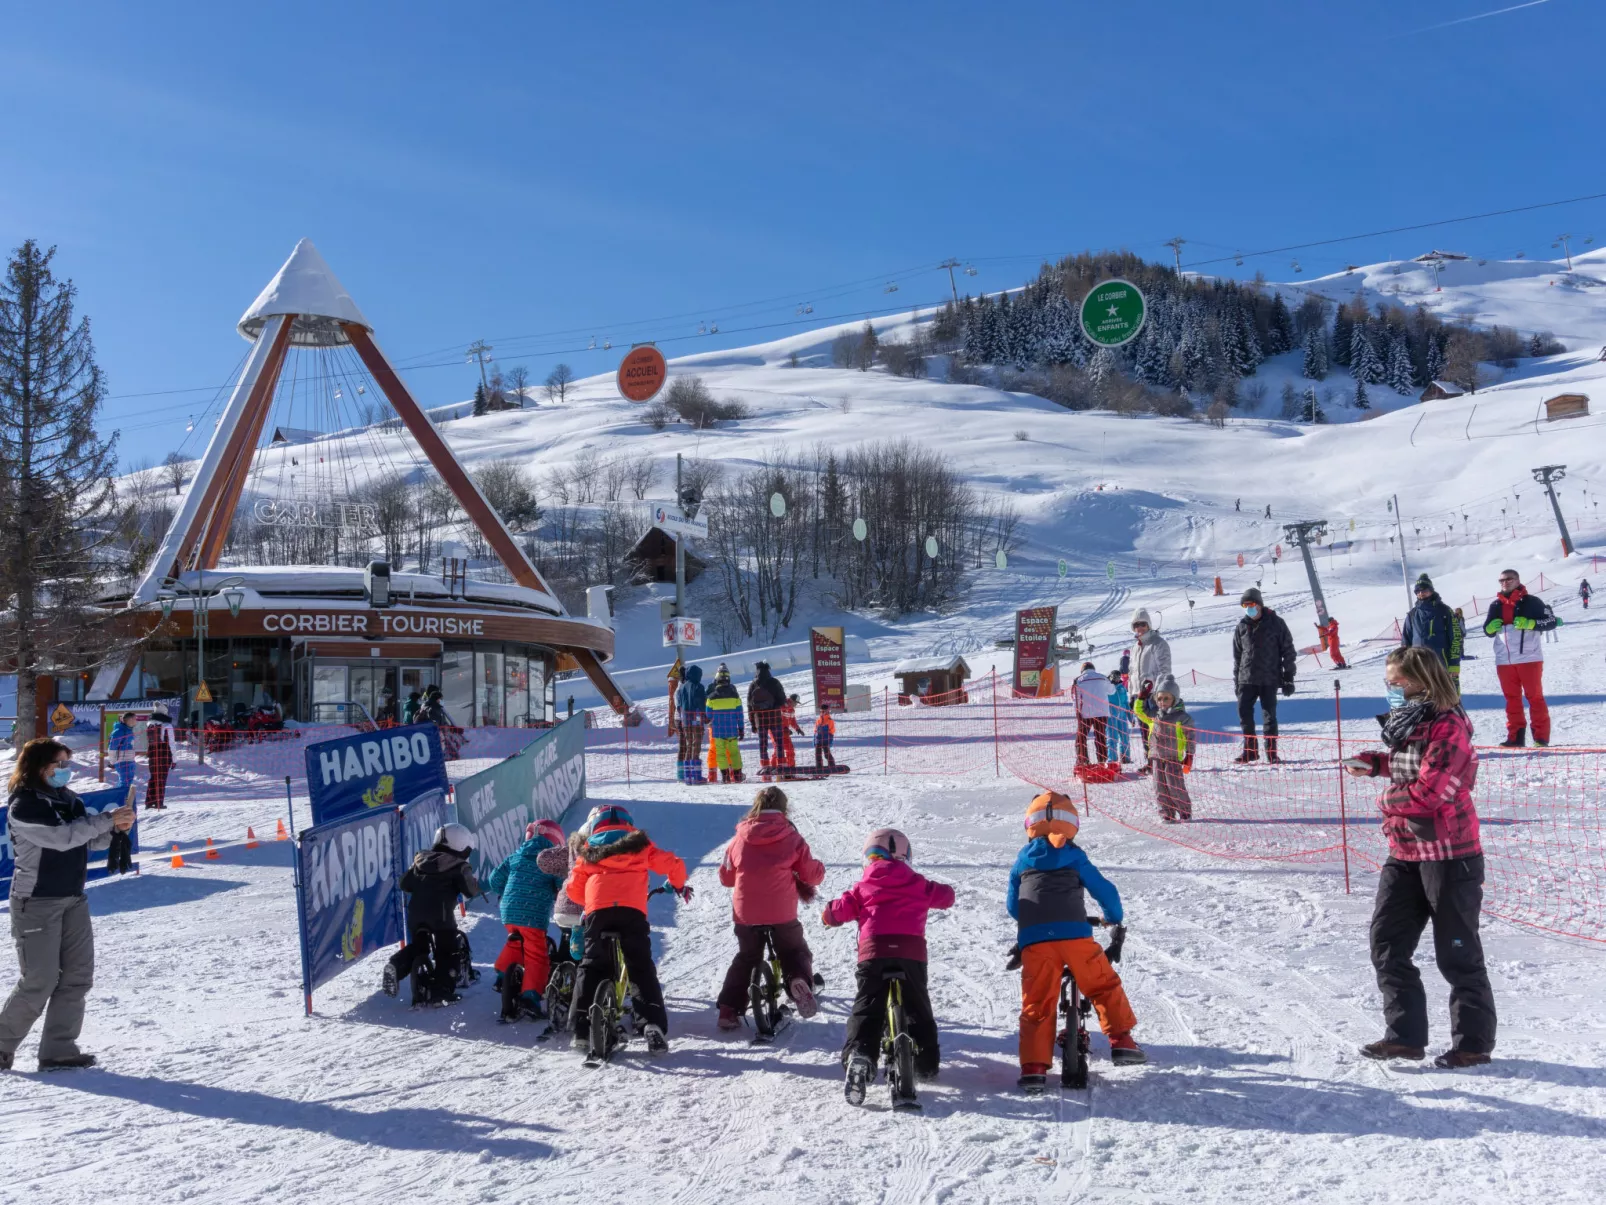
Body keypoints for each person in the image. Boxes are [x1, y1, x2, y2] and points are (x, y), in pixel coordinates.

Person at [1345, 647, 1495, 1069]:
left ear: (1422, 683)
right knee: (1388, 944)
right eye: (1389, 683)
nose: (1392, 690)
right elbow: (1409, 769)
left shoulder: (1449, 727)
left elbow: (1432, 791)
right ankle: (1405, 1037)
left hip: (1450, 855)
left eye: (1398, 683)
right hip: (1405, 851)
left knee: (1457, 952)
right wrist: (1375, 764)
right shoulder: (1410, 722)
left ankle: (1473, 1043)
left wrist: (1386, 797)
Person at [0, 738, 135, 1071]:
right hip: (36, 901)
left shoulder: (69, 800)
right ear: (39, 766)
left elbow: (88, 839)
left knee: (77, 977)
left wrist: (117, 828)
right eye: (59, 765)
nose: (66, 771)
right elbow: (61, 839)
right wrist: (105, 819)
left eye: (67, 764)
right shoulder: (25, 804)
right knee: (39, 979)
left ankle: (58, 1050)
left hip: (73, 898)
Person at [1008, 792, 1144, 1090]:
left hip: (1036, 940)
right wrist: (1112, 917)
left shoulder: (1022, 859)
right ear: (1072, 824)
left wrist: (1028, 928)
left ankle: (1033, 1068)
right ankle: (1121, 1041)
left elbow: (1013, 905)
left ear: (1030, 824)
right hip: (1075, 935)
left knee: (1037, 1003)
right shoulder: (1074, 855)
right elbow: (1104, 891)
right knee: (1102, 984)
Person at [822, 828, 954, 1099]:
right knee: (919, 1008)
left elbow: (838, 911)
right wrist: (940, 892)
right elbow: (946, 897)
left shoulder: (862, 886)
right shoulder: (918, 882)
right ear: (906, 856)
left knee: (868, 1007)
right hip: (911, 953)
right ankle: (926, 1064)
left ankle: (860, 1055)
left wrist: (828, 916)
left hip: (874, 952)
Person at [565, 805, 689, 1054]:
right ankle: (651, 1024)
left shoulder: (588, 849)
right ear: (628, 825)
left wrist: (589, 901)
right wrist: (676, 884)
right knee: (639, 966)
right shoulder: (640, 845)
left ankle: (580, 1030)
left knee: (591, 964)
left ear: (595, 826)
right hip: (632, 910)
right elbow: (673, 864)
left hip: (598, 911)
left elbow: (574, 888)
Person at [715, 785, 826, 1030]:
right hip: (781, 912)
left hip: (746, 914)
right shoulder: (792, 837)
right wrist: (820, 869)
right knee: (794, 949)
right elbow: (810, 874)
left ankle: (729, 1009)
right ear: (784, 809)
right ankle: (798, 980)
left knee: (746, 958)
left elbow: (726, 878)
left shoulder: (738, 839)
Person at [382, 823, 480, 1004]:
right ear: (460, 846)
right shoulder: (459, 866)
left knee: (419, 947)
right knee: (446, 951)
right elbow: (469, 891)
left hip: (415, 913)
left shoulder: (421, 860)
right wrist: (475, 885)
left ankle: (396, 965)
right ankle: (442, 991)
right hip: (441, 916)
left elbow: (405, 884)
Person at [487, 819, 566, 1019]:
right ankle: (530, 996)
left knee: (515, 940)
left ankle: (502, 974)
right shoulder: (552, 859)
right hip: (533, 914)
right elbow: (562, 884)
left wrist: (507, 890)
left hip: (509, 911)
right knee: (536, 955)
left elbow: (494, 880)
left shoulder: (516, 855)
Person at [1484, 569, 1557, 748]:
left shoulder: (1532, 602)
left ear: (1517, 580)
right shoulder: (1495, 605)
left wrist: (1531, 623)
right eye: (1501, 580)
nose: (1505, 582)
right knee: (1511, 699)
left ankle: (1540, 738)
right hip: (1504, 660)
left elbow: (1551, 621)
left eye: (1509, 579)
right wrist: (1489, 628)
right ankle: (1515, 738)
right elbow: (1487, 630)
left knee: (1535, 697)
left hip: (1529, 658)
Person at [1232, 588, 1296, 764]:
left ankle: (1271, 752)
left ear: (1259, 604)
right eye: (1244, 605)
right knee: (1244, 714)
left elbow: (1288, 651)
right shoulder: (1242, 627)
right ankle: (1250, 751)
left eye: (1251, 604)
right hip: (1246, 679)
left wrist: (1288, 676)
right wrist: (1237, 681)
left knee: (1269, 716)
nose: (1248, 608)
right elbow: (1238, 657)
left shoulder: (1276, 623)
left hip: (1269, 678)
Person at [1134, 674, 1194, 822]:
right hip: (1156, 757)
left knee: (1175, 785)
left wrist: (1189, 755)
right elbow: (1139, 712)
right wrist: (1141, 697)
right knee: (1159, 786)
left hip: (1173, 757)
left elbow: (1190, 737)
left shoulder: (1182, 717)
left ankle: (1184, 811)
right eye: (1159, 698)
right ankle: (1166, 813)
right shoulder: (1154, 716)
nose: (1162, 702)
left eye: (1166, 698)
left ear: (1174, 698)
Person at [1129, 608, 1172, 773]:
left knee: (1157, 731)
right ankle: (1150, 761)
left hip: (1152, 696)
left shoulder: (1158, 643)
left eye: (1142, 624)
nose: (1139, 628)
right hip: (1138, 697)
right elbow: (1132, 673)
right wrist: (1131, 694)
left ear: (1148, 625)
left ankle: (1161, 761)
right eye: (1136, 625)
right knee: (1144, 731)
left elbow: (1164, 670)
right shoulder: (1135, 648)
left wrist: (1158, 693)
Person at [540, 827, 587, 963]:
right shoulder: (601, 852)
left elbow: (543, 860)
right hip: (585, 910)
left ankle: (561, 970)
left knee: (567, 937)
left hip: (563, 909)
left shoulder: (571, 850)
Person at [1399, 574, 1461, 677]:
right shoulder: (1412, 614)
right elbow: (1406, 641)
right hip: (1418, 664)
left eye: (1424, 590)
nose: (1421, 593)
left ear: (1431, 590)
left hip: (1441, 663)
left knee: (1444, 692)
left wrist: (1454, 663)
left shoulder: (1444, 611)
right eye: (1418, 591)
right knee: (1422, 692)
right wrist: (1405, 664)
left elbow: (1455, 638)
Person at [705, 664, 746, 783]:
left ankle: (725, 776)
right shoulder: (735, 696)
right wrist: (741, 729)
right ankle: (737, 775)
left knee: (721, 754)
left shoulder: (711, 698)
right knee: (734, 752)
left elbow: (708, 716)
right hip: (732, 730)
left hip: (718, 732)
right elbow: (740, 714)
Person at [746, 661, 788, 772]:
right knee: (779, 743)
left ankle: (765, 768)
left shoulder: (753, 684)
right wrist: (774, 706)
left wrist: (753, 723)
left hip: (760, 719)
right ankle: (782, 766)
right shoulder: (775, 682)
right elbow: (782, 700)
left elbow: (749, 706)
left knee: (763, 745)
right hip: (775, 718)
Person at [1072, 662, 1110, 766]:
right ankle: (1102, 761)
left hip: (1086, 713)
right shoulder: (1103, 678)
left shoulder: (1078, 680)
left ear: (1082, 670)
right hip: (1102, 713)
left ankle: (1083, 761)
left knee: (1081, 737)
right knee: (1100, 736)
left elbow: (1076, 698)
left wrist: (1078, 712)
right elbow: (1112, 691)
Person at [673, 665, 707, 784]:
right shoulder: (699, 686)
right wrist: (704, 716)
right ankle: (696, 775)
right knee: (696, 745)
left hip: (685, 720)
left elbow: (679, 705)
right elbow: (702, 703)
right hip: (697, 719)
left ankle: (687, 776)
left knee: (688, 745)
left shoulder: (681, 688)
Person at [143, 710, 173, 810]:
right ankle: (159, 803)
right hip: (164, 754)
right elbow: (171, 744)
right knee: (161, 779)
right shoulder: (167, 725)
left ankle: (149, 802)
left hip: (152, 754)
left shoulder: (149, 724)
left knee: (153, 777)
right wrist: (175, 759)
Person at [107, 712, 138, 795]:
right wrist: (112, 762)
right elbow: (112, 748)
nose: (136, 721)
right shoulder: (119, 731)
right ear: (129, 720)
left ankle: (124, 800)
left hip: (130, 760)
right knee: (125, 782)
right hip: (122, 761)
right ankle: (121, 800)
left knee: (129, 781)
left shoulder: (129, 731)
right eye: (135, 719)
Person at [1107, 671, 1132, 764]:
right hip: (1111, 716)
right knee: (1112, 738)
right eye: (1114, 677)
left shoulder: (1122, 688)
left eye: (1118, 677)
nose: (1116, 679)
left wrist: (1131, 717)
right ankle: (1112, 759)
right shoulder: (1108, 688)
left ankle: (1125, 757)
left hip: (1122, 715)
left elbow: (1126, 702)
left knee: (1125, 737)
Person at [780, 694, 805, 770]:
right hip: (777, 731)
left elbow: (793, 721)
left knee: (790, 749)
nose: (796, 705)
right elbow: (776, 719)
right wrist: (783, 728)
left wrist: (797, 729)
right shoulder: (781, 706)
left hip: (785, 732)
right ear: (791, 701)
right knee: (778, 751)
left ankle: (791, 769)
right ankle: (776, 769)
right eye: (796, 703)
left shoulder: (791, 709)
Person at [813, 703, 837, 770]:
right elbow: (815, 730)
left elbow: (832, 731)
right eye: (821, 711)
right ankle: (819, 767)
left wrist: (830, 739)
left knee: (827, 754)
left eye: (824, 711)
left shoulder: (830, 720)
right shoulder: (818, 720)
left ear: (828, 711)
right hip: (818, 740)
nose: (822, 713)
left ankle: (832, 766)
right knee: (817, 754)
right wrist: (814, 739)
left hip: (826, 740)